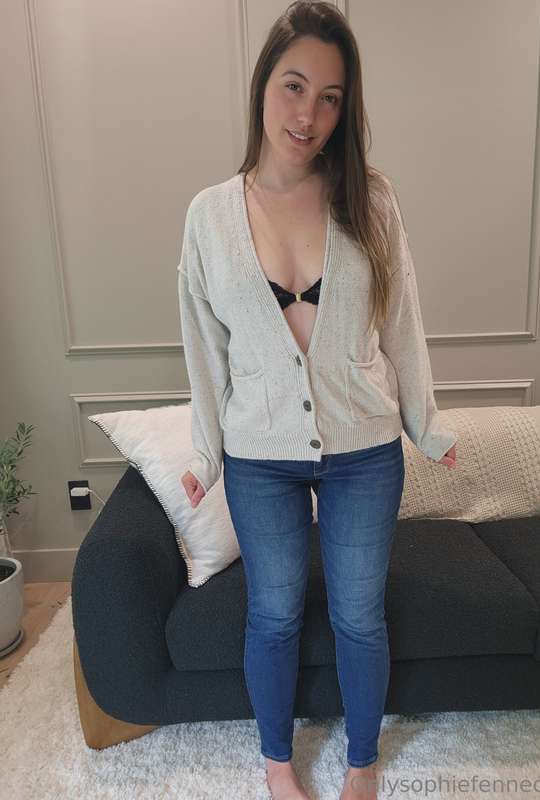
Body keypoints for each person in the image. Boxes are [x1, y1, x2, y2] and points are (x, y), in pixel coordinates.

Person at [177, 3, 458, 798]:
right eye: (294, 86)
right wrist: (204, 454)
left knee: (358, 614)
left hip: (364, 448)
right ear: (263, 84)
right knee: (272, 613)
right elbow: (203, 351)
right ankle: (277, 763)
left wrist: (426, 424)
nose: (308, 115)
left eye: (330, 97)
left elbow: (403, 322)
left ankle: (362, 762)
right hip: (259, 455)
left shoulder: (371, 199)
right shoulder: (209, 216)